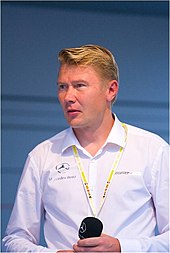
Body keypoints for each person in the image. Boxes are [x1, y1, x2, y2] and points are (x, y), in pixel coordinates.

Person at [2, 44, 169, 252]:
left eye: (79, 85)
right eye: (62, 87)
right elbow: (15, 239)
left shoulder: (153, 150)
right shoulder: (42, 156)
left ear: (111, 90)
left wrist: (123, 248)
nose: (68, 97)